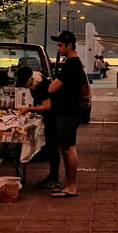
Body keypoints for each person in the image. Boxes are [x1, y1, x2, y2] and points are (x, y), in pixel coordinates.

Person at [47, 30, 85, 197]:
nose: (58, 48)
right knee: (65, 146)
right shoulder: (73, 64)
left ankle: (71, 185)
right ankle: (68, 182)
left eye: (61, 45)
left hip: (68, 111)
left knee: (69, 148)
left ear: (70, 45)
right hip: (68, 109)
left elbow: (52, 87)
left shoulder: (71, 64)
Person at [17, 67, 61, 190]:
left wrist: (29, 109)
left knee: (53, 148)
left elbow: (47, 106)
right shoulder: (36, 84)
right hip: (51, 118)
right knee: (50, 148)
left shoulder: (41, 86)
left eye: (25, 83)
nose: (25, 87)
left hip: (55, 118)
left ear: (31, 79)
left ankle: (54, 178)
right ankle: (53, 176)